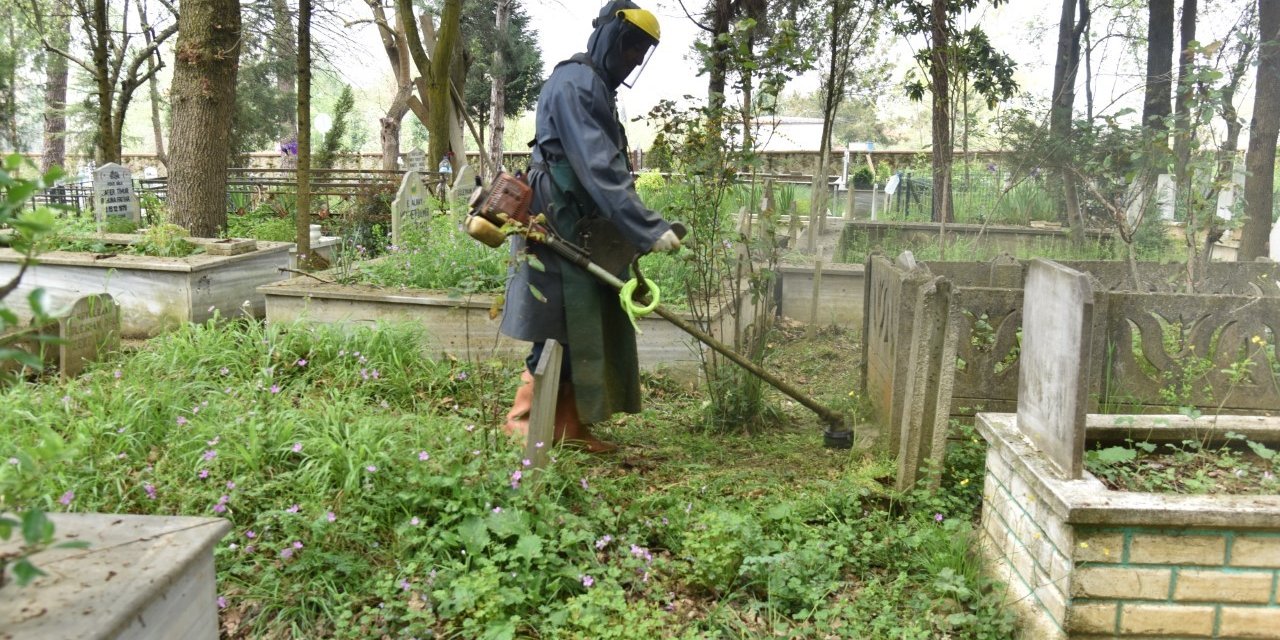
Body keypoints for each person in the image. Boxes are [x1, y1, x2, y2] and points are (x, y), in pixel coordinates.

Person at [499, 0, 681, 453]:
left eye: (642, 50)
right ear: (607, 37)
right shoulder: (577, 83)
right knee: (557, 317)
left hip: (576, 220)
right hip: (554, 218)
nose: (635, 58)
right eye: (630, 46)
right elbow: (598, 165)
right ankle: (524, 422)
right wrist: (645, 227)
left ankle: (566, 424)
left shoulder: (594, 86)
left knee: (577, 320)